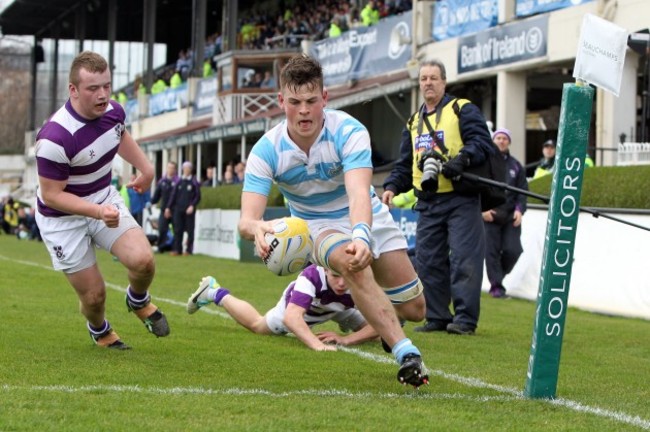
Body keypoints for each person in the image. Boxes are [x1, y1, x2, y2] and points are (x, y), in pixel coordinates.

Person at [239, 54, 428, 387]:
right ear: (281, 101)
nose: (303, 110)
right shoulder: (265, 150)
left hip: (364, 213)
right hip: (314, 225)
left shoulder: (350, 131)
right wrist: (257, 229)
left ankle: (387, 324)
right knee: (350, 262)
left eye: (312, 101)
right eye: (295, 101)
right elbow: (246, 220)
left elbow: (358, 194)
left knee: (415, 309)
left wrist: (362, 234)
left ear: (325, 98)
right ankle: (406, 353)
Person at [33, 51, 170, 349]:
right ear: (73, 90)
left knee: (144, 262)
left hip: (101, 199)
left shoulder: (113, 111)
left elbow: (119, 135)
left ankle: (137, 300)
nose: (103, 94)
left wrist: (146, 168)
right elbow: (52, 195)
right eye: (93, 88)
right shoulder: (54, 138)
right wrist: (96, 212)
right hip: (62, 219)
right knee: (94, 297)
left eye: (106, 85)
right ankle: (99, 328)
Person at [381, 59, 494, 336]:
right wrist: (392, 186)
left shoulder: (462, 109)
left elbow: (482, 143)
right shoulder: (413, 122)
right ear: (419, 84)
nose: (428, 83)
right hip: (429, 203)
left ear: (444, 82)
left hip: (460, 199)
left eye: (433, 78)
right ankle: (437, 316)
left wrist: (462, 160)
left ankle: (465, 320)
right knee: (429, 260)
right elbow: (406, 165)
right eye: (423, 79)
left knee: (464, 259)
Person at [187, 264, 380, 350]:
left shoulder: (359, 280)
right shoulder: (311, 277)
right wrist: (317, 345)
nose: (341, 283)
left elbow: (382, 324)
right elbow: (292, 318)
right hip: (300, 310)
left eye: (345, 276)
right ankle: (214, 291)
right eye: (335, 275)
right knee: (258, 325)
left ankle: (344, 322)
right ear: (325, 268)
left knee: (378, 337)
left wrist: (345, 340)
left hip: (340, 307)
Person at [482, 128, 528, 299]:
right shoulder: (486, 163)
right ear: (494, 141)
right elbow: (478, 189)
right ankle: (496, 287)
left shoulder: (516, 165)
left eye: (504, 138)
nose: (501, 141)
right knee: (491, 252)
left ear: (509, 142)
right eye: (498, 138)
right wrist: (483, 211)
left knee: (513, 250)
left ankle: (498, 277)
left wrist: (519, 210)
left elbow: (522, 191)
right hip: (490, 215)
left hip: (510, 216)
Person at [165, 161, 201, 256]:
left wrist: (192, 205)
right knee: (178, 229)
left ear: (191, 169)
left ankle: (189, 250)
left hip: (189, 210)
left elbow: (197, 196)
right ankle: (177, 249)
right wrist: (168, 207)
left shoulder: (194, 182)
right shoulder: (179, 182)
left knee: (190, 230)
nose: (186, 170)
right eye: (184, 168)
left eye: (188, 168)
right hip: (178, 209)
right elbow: (173, 195)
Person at [151, 161, 178, 252]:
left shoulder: (178, 181)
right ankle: (161, 247)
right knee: (162, 229)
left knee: (176, 229)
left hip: (175, 210)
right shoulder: (162, 181)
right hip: (164, 210)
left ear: (175, 170)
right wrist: (151, 202)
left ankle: (175, 248)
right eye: (169, 167)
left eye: (172, 168)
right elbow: (157, 195)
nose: (170, 170)